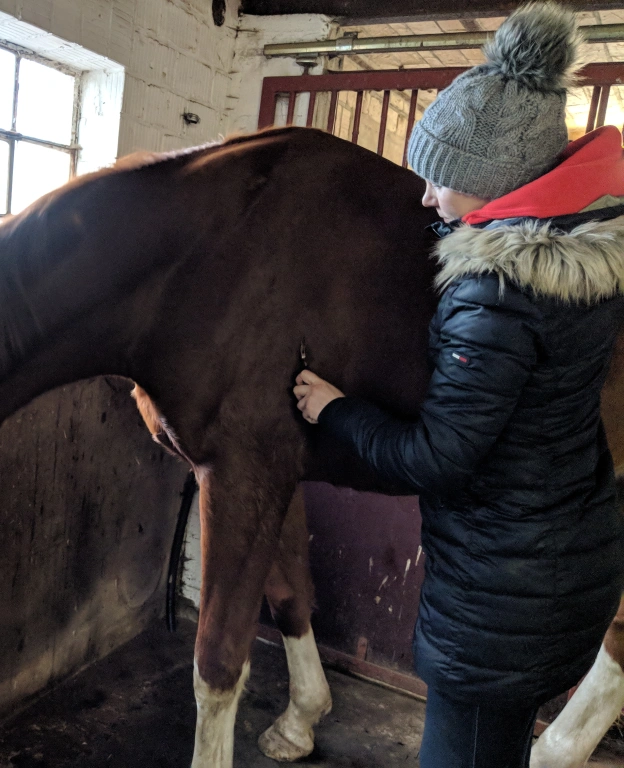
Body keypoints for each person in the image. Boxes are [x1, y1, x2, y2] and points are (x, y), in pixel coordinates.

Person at [292, 3, 624, 766]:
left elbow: (438, 456)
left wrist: (336, 410)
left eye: (439, 180)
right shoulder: (580, 255)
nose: (425, 198)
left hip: (501, 595)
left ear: (496, 184)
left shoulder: (498, 293)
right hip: (562, 562)